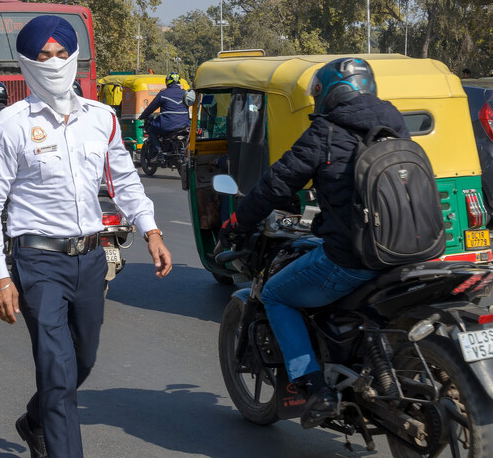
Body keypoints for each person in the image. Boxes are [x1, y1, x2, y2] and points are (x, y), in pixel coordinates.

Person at [0, 15, 172, 458]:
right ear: (25, 63)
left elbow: (124, 180)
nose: (55, 64)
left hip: (91, 258)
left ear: (75, 58)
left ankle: (36, 419)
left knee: (84, 359)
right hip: (37, 262)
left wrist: (150, 229)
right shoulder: (8, 125)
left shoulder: (101, 118)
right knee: (57, 372)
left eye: (63, 54)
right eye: (43, 56)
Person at [221, 57, 410, 428]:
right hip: (407, 250)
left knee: (276, 295)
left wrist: (238, 221)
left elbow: (278, 182)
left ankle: (312, 385)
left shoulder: (326, 131)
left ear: (330, 93)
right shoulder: (395, 124)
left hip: (353, 257)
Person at [139, 72, 190, 158]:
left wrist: (142, 116)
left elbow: (151, 107)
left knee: (151, 129)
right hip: (185, 124)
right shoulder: (185, 93)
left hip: (168, 125)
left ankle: (159, 152)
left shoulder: (163, 94)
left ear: (167, 82)